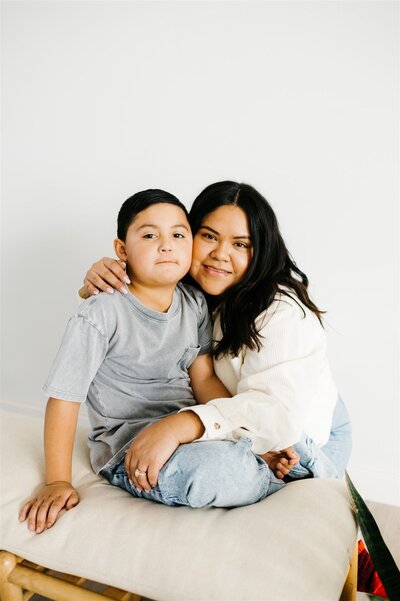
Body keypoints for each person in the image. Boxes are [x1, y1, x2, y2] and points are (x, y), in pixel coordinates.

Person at [19, 189, 297, 535]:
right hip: (131, 450)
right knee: (220, 473)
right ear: (121, 250)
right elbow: (65, 398)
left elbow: (204, 379)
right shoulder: (101, 313)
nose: (166, 245)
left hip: (186, 431)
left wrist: (246, 433)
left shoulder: (193, 302)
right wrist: (57, 481)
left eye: (178, 235)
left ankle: (259, 462)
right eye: (150, 235)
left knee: (282, 446)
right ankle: (256, 472)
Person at [80, 181, 352, 494]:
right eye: (209, 236)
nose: (220, 254)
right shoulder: (191, 291)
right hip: (236, 413)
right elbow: (123, 318)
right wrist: (107, 276)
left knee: (228, 472)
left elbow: (277, 417)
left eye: (240, 244)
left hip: (302, 435)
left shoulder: (283, 312)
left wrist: (181, 425)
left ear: (261, 250)